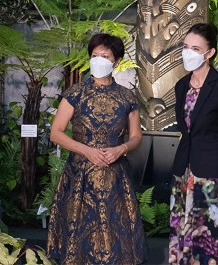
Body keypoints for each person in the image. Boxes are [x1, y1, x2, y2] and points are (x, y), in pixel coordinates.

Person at [46, 32, 145, 265]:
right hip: (80, 175)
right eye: (94, 55)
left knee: (117, 235)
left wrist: (121, 149)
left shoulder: (126, 97)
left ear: (117, 61)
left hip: (115, 176)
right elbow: (56, 132)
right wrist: (86, 150)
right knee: (78, 235)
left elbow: (136, 137)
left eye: (105, 55)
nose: (98, 59)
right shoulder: (75, 94)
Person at [168, 22, 218, 265]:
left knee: (211, 235)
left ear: (210, 52)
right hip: (184, 171)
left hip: (215, 176)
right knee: (183, 230)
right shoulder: (181, 86)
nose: (188, 53)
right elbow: (187, 129)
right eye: (185, 47)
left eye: (195, 48)